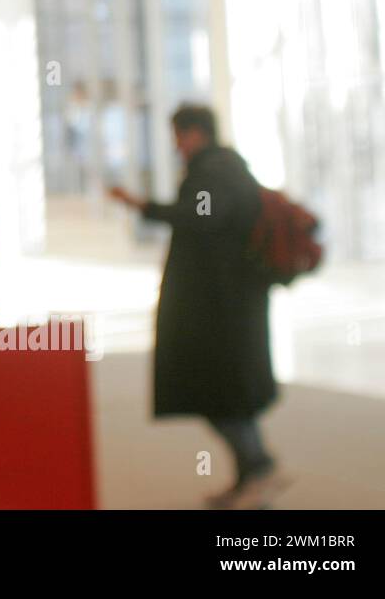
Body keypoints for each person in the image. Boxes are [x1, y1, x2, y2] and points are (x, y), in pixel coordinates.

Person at [109, 104, 288, 509]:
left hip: (218, 308)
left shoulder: (213, 171)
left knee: (217, 393)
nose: (176, 144)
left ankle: (258, 467)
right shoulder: (225, 167)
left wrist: (143, 206)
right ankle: (251, 473)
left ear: (194, 133)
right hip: (227, 304)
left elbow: (202, 215)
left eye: (179, 135)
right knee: (227, 394)